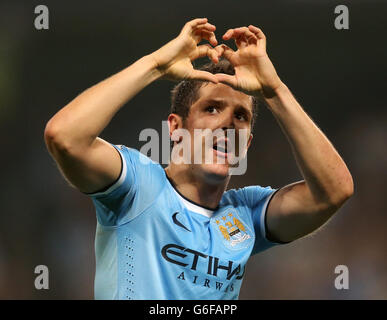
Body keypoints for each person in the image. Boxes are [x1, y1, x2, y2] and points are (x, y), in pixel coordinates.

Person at [44, 18, 354, 299]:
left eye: (241, 115)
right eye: (212, 108)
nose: (227, 122)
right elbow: (64, 137)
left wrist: (274, 91)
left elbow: (335, 190)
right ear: (176, 128)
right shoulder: (138, 186)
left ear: (245, 144)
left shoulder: (246, 214)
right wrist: (155, 66)